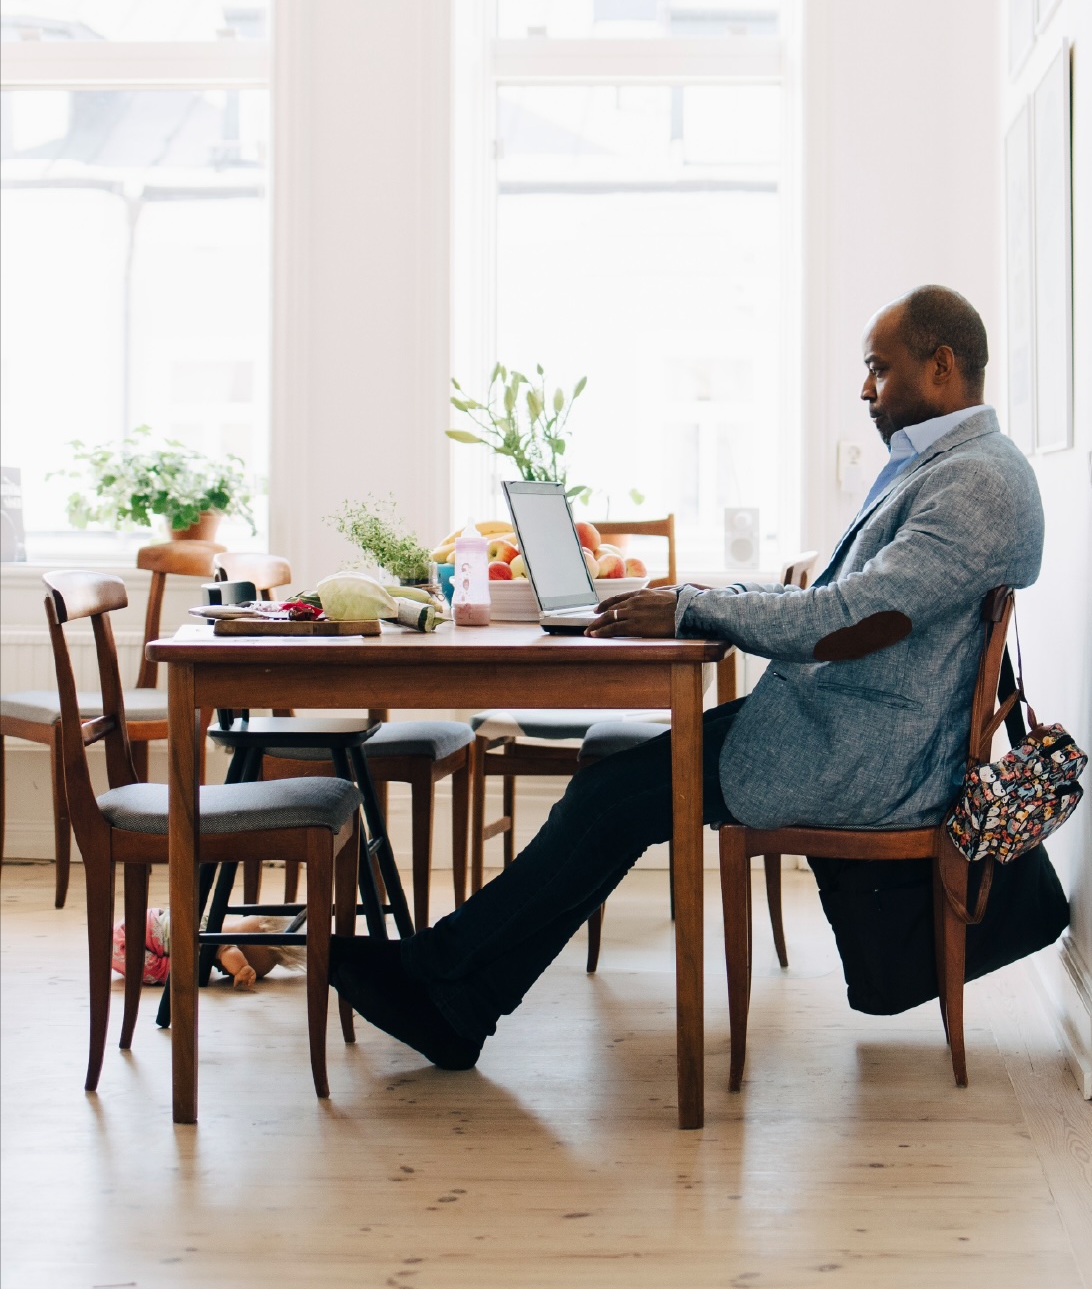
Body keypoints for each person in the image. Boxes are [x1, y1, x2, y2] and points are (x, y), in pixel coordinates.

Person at [329, 284, 1047, 1068]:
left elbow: (844, 622)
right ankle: (452, 990)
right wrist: (700, 599)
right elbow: (831, 604)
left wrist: (691, 609)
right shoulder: (951, 467)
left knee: (612, 795)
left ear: (940, 366)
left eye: (878, 368)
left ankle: (448, 993)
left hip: (862, 752)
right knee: (612, 786)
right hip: (839, 723)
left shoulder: (976, 480)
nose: (865, 389)